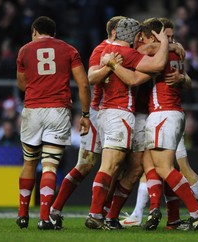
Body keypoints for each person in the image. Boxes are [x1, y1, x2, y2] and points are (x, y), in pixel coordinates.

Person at [106, 18, 198, 231]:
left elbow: (137, 71)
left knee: (162, 167)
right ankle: (172, 217)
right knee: (157, 167)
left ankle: (197, 212)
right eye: (167, 36)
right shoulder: (172, 52)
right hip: (171, 113)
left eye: (172, 37)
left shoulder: (156, 52)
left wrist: (163, 44)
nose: (171, 40)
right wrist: (170, 45)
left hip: (161, 114)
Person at [84, 17, 169, 230]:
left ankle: (110, 216)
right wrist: (167, 42)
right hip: (119, 113)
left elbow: (92, 77)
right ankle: (95, 214)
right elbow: (157, 64)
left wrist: (110, 66)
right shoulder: (129, 54)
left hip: (106, 113)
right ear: (133, 36)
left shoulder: (102, 50)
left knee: (132, 168)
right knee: (111, 165)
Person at [49, 16, 125, 228]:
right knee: (102, 165)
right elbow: (91, 78)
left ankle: (100, 213)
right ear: (114, 32)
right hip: (102, 112)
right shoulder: (101, 50)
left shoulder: (124, 48)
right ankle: (91, 212)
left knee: (102, 165)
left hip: (104, 112)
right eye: (125, 29)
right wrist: (110, 67)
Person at [15, 16, 91, 230]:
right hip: (58, 110)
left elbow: (22, 84)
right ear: (54, 33)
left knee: (29, 162)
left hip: (32, 109)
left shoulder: (24, 50)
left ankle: (22, 214)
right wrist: (85, 114)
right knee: (50, 164)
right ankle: (44, 218)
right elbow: (83, 84)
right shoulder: (68, 49)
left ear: (34, 31)